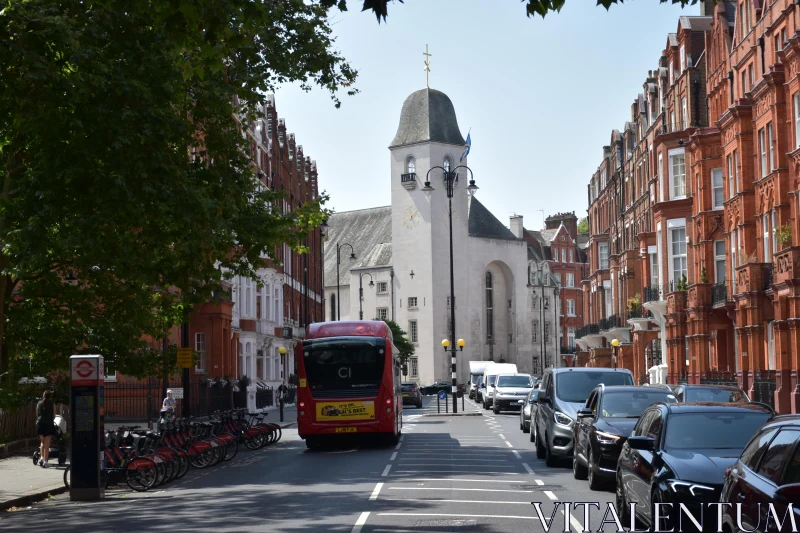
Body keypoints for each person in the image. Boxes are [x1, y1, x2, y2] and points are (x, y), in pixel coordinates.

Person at [36, 390, 55, 468]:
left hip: (40, 424)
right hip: (48, 425)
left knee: (42, 441)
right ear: (50, 396)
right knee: (47, 444)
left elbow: (37, 414)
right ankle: (45, 462)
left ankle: (41, 457)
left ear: (43, 395)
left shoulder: (39, 403)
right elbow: (54, 415)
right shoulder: (52, 403)